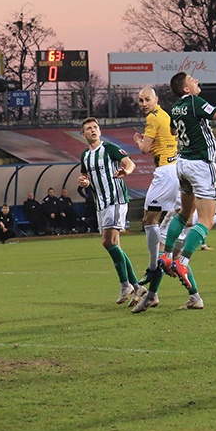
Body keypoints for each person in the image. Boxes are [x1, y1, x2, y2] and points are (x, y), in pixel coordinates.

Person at [137, 72, 216, 313]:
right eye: (192, 80)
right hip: (200, 165)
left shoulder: (175, 108)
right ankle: (182, 262)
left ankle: (165, 256)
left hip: (182, 164)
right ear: (186, 89)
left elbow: (174, 133)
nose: (197, 82)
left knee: (184, 214)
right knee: (205, 219)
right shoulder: (195, 102)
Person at [77, 117, 146, 307]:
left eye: (95, 127)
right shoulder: (85, 155)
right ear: (83, 134)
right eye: (89, 128)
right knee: (115, 245)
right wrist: (85, 182)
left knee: (107, 242)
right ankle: (136, 286)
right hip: (100, 204)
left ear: (99, 131)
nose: (93, 130)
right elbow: (86, 176)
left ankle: (126, 285)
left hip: (115, 199)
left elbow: (129, 163)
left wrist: (127, 172)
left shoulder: (109, 148)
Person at [133, 86, 181, 297]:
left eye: (146, 100)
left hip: (165, 173)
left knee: (149, 219)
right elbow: (174, 133)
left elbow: (144, 149)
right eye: (140, 100)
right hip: (176, 167)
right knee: (181, 216)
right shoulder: (165, 114)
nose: (143, 104)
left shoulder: (153, 118)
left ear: (156, 99)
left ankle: (154, 266)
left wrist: (139, 141)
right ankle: (175, 258)